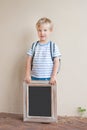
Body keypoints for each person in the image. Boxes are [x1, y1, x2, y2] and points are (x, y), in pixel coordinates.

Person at [24, 17, 61, 85]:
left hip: (48, 79)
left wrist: (53, 76)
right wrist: (27, 74)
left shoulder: (53, 46)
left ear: (50, 30)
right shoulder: (34, 45)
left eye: (45, 30)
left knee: (47, 95)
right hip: (34, 78)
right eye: (39, 30)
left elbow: (57, 62)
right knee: (35, 95)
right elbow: (28, 60)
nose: (42, 33)